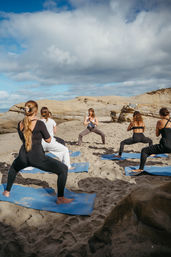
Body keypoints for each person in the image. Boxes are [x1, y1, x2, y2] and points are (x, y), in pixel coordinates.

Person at [3, 100, 72, 204]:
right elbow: (48, 140)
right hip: (37, 158)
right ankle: (60, 198)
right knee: (63, 169)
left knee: (13, 169)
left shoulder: (20, 124)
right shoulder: (39, 123)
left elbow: (25, 139)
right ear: (35, 111)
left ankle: (6, 192)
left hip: (23, 156)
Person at [132, 107, 171, 172]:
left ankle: (140, 169)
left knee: (144, 151)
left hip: (165, 146)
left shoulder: (160, 122)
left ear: (160, 115)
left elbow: (157, 134)